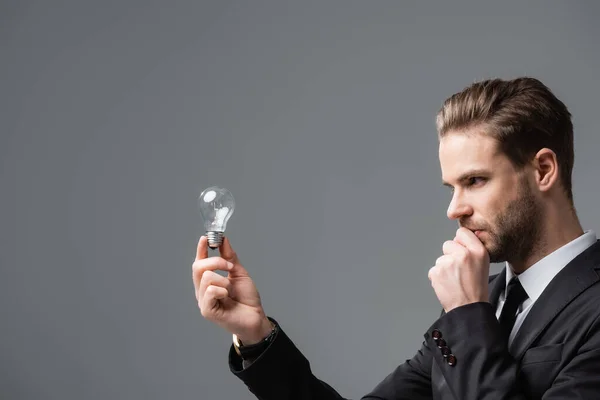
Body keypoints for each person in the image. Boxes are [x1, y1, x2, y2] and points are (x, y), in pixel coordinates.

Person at [192, 77, 600, 399]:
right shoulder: (481, 302)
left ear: (544, 170)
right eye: (450, 188)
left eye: (475, 181)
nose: (454, 209)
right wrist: (256, 337)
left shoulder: (472, 308)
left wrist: (468, 315)